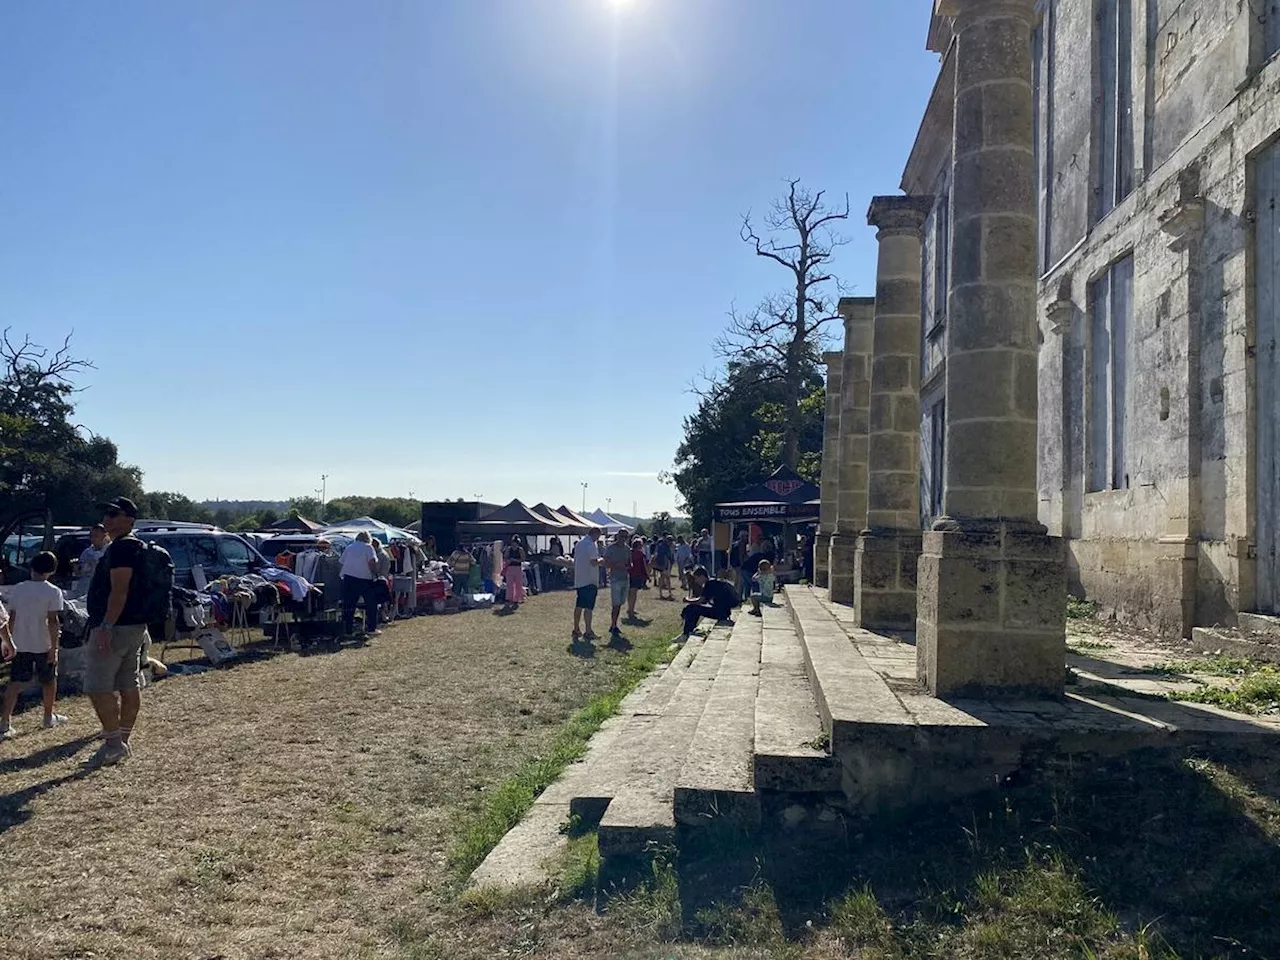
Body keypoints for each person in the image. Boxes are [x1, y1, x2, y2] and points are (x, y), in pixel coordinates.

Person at [83, 497, 152, 767]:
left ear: (130, 520)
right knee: (127, 683)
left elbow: (119, 591)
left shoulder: (122, 549)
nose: (107, 520)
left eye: (114, 514)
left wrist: (106, 625)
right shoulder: (135, 547)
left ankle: (113, 743)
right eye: (106, 514)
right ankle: (122, 740)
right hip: (133, 625)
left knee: (97, 686)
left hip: (116, 627)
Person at [0, 551, 67, 738]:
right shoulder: (53, 591)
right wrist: (54, 648)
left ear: (31, 567)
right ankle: (48, 716)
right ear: (51, 571)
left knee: (15, 683)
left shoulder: (18, 589)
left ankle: (5, 722)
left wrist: (8, 641)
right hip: (43, 643)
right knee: (49, 681)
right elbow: (53, 621)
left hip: (20, 643)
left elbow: (10, 618)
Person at [677, 566, 737, 643]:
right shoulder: (713, 582)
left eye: (696, 578)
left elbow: (700, 601)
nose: (695, 581)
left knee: (692, 608)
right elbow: (704, 601)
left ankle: (686, 634)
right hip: (725, 611)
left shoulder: (709, 584)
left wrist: (687, 600)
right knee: (693, 608)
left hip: (721, 613)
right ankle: (689, 631)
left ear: (702, 576)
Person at [339, 531, 380, 637]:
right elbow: (371, 563)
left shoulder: (350, 547)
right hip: (364, 578)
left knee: (349, 605)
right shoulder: (368, 547)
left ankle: (347, 630)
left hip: (348, 577)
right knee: (371, 603)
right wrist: (376, 573)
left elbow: (342, 561)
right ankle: (371, 628)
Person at [572, 526, 604, 640]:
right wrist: (602, 560)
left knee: (579, 605)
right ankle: (588, 631)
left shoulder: (579, 544)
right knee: (589, 608)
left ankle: (576, 629)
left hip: (580, 579)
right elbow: (594, 562)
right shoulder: (591, 544)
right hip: (590, 579)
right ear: (595, 534)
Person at [603, 530, 631, 636]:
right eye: (621, 536)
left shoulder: (627, 549)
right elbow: (606, 562)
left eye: (625, 536)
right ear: (617, 536)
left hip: (625, 578)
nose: (623, 538)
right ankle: (613, 625)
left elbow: (629, 562)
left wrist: (628, 565)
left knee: (620, 603)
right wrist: (616, 565)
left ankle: (614, 624)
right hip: (615, 579)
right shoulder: (611, 548)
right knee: (615, 604)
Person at [76, 524, 109, 592]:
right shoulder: (86, 552)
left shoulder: (110, 551)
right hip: (85, 588)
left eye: (96, 536)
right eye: (91, 536)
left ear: (105, 536)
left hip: (103, 588)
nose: (93, 539)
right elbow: (80, 573)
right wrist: (76, 568)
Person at [626, 537, 649, 622]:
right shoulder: (639, 554)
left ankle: (630, 608)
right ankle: (631, 611)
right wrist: (647, 576)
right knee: (633, 594)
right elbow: (644, 565)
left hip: (628, 574)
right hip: (636, 575)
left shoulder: (629, 552)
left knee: (630, 593)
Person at [653, 535, 675, 600]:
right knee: (666, 578)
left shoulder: (661, 545)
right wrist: (666, 565)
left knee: (662, 578)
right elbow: (666, 556)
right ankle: (668, 593)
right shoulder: (666, 547)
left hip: (660, 564)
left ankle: (662, 593)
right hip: (664, 564)